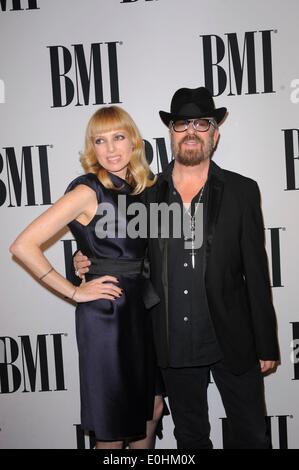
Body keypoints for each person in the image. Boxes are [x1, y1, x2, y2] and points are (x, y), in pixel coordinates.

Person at [74, 87, 280, 449]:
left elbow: (257, 273)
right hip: (171, 341)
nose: (191, 132)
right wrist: (83, 260)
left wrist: (266, 343)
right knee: (190, 438)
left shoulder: (241, 190)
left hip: (233, 338)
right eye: (182, 124)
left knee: (251, 436)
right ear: (171, 133)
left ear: (215, 134)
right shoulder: (147, 193)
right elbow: (121, 250)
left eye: (202, 124)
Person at [9, 105, 164, 449]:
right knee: (112, 427)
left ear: (134, 142)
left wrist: (86, 257)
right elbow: (23, 246)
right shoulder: (88, 191)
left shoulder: (142, 189)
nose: (110, 148)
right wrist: (74, 292)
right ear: (91, 148)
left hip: (141, 311)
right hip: (108, 316)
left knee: (151, 408)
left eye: (118, 137)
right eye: (100, 140)